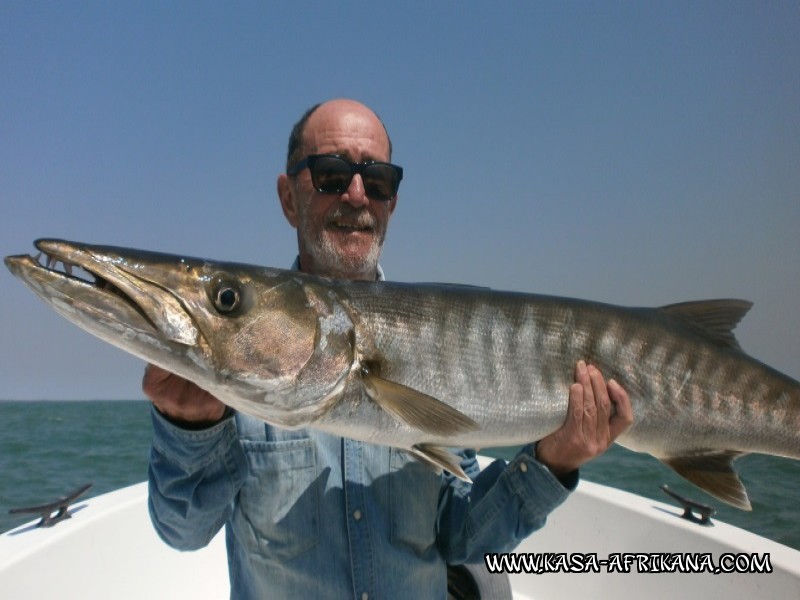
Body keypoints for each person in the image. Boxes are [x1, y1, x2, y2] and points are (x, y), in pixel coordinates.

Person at [144, 98, 633, 599]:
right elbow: (184, 531)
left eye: (377, 182)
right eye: (331, 174)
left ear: (392, 203)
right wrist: (189, 431)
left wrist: (553, 461)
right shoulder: (238, 373)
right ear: (289, 197)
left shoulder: (444, 347)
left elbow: (461, 535)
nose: (356, 195)